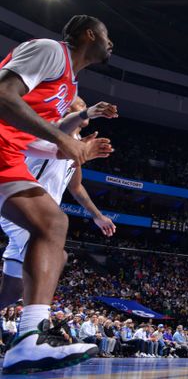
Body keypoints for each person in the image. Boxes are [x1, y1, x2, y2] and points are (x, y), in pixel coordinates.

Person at [0, 15, 115, 373]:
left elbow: (31, 139)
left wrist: (66, 148)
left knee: (53, 227)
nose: (111, 44)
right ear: (89, 34)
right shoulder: (51, 51)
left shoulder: (68, 82)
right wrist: (63, 139)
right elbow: (2, 95)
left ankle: (30, 337)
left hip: (9, 154)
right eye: (107, 36)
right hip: (4, 151)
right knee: (52, 226)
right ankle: (29, 337)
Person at [0, 96, 116, 310]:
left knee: (9, 294)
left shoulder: (78, 141)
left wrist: (97, 216)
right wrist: (87, 114)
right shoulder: (50, 128)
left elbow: (76, 186)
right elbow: (61, 142)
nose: (82, 104)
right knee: (54, 257)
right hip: (26, 209)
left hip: (40, 216)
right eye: (78, 103)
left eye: (83, 102)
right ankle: (35, 331)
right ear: (65, 108)